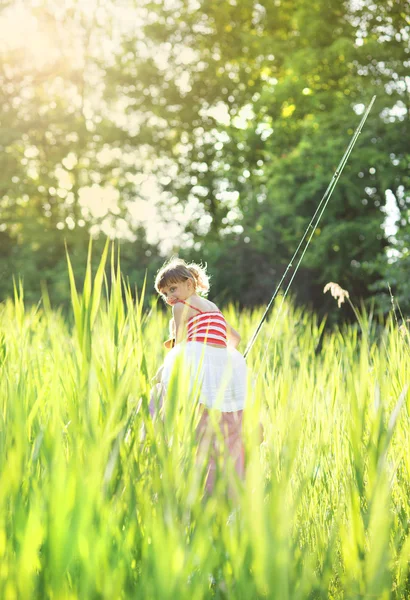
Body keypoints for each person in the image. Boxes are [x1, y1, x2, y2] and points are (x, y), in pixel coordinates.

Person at [153, 257, 247, 494]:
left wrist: (166, 366)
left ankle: (163, 433)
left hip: (195, 354)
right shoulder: (212, 307)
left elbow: (181, 342)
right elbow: (234, 339)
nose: (170, 297)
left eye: (173, 289)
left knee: (163, 383)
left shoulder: (180, 307)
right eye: (165, 293)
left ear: (189, 284)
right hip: (221, 361)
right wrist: (220, 357)